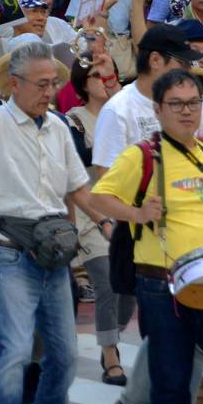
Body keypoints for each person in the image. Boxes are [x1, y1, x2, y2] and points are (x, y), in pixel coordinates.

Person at [91, 67, 203, 404]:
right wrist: (137, 213)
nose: (187, 111)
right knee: (171, 380)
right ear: (158, 110)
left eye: (193, 103)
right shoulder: (142, 155)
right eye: (176, 104)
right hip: (163, 284)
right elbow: (100, 198)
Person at [0, 39, 108, 404]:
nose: (49, 92)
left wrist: (105, 222)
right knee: (15, 350)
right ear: (14, 84)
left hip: (55, 251)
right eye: (41, 84)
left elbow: (78, 187)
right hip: (10, 252)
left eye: (53, 83)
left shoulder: (58, 127)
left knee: (65, 355)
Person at [62, 45, 129, 385]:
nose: (103, 80)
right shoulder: (73, 121)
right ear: (82, 82)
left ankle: (113, 335)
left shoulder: (126, 112)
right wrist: (73, 224)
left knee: (129, 289)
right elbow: (72, 178)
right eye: (95, 75)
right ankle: (110, 354)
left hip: (129, 210)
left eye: (108, 73)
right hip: (92, 214)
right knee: (107, 282)